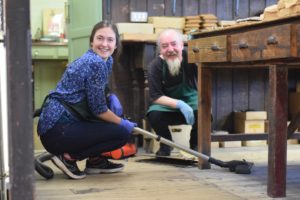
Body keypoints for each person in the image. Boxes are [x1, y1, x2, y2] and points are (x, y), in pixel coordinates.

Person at [37, 21, 137, 180]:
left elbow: (95, 98)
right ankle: (69, 157)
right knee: (121, 133)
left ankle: (95, 161)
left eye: (110, 40)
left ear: (116, 44)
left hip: (62, 127)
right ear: (92, 42)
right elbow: (99, 110)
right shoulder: (95, 62)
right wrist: (121, 122)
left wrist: (109, 98)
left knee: (112, 124)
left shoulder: (106, 61)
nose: (104, 44)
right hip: (58, 130)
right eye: (100, 38)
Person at [146, 29, 198, 156]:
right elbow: (155, 96)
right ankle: (166, 145)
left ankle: (197, 145)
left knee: (205, 112)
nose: (170, 49)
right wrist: (179, 104)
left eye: (174, 44)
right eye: (164, 46)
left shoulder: (192, 58)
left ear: (182, 45)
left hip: (191, 102)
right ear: (160, 50)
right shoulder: (155, 66)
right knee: (154, 114)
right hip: (168, 106)